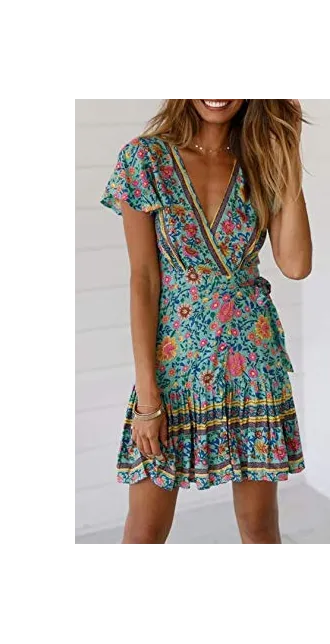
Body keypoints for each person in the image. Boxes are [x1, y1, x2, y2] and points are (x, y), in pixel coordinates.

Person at [101, 97, 312, 544]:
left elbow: (295, 265)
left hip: (252, 367)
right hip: (175, 368)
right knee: (143, 534)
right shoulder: (146, 159)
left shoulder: (261, 162)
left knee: (260, 530)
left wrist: (289, 154)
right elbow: (143, 280)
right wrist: (147, 399)